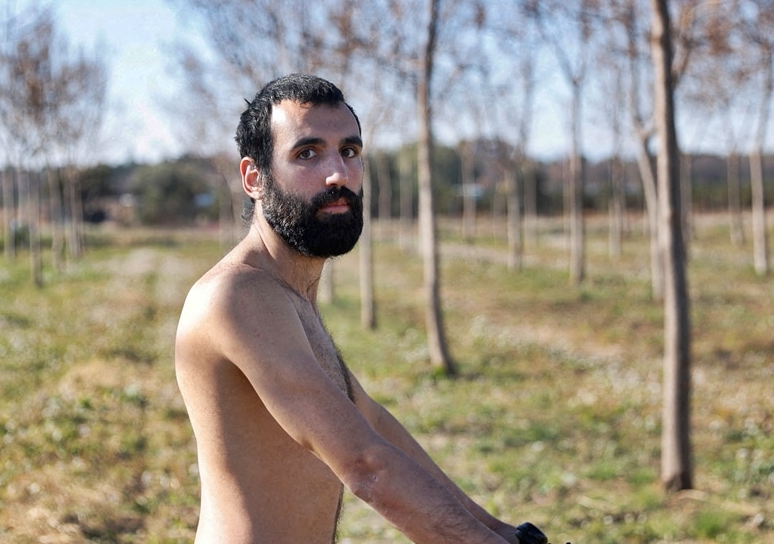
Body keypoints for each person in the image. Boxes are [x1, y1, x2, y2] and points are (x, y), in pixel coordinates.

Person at [174, 74, 527, 543]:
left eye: (350, 151)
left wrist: (501, 530)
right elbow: (366, 465)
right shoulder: (237, 296)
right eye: (307, 154)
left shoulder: (288, 295)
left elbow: (373, 425)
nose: (338, 173)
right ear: (254, 179)